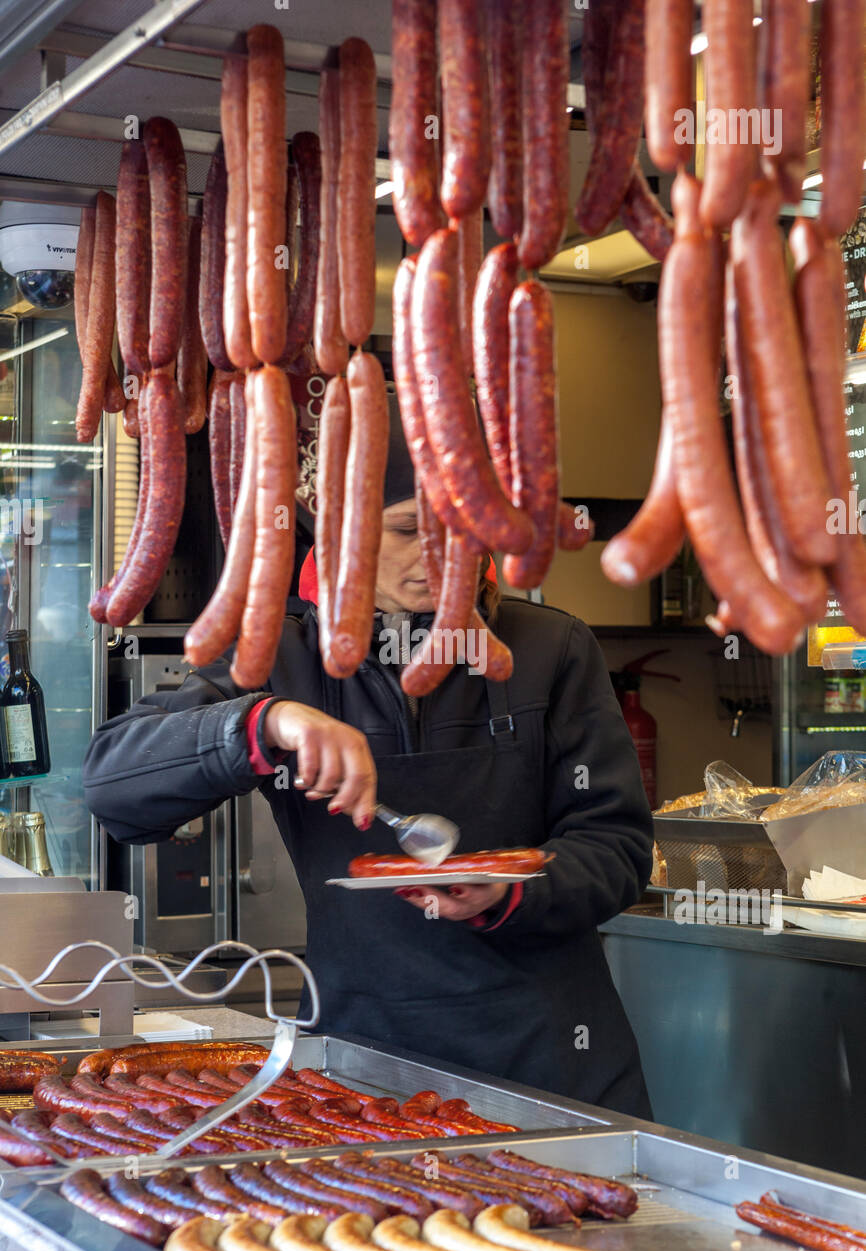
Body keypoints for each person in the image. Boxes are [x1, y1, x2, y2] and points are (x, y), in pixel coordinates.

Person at [84, 395, 654, 1117]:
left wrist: (512, 888)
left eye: (464, 529)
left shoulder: (552, 650)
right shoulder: (277, 654)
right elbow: (112, 786)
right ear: (346, 532)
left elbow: (617, 847)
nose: (441, 556)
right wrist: (262, 726)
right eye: (411, 529)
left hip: (549, 1062)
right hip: (362, 1069)